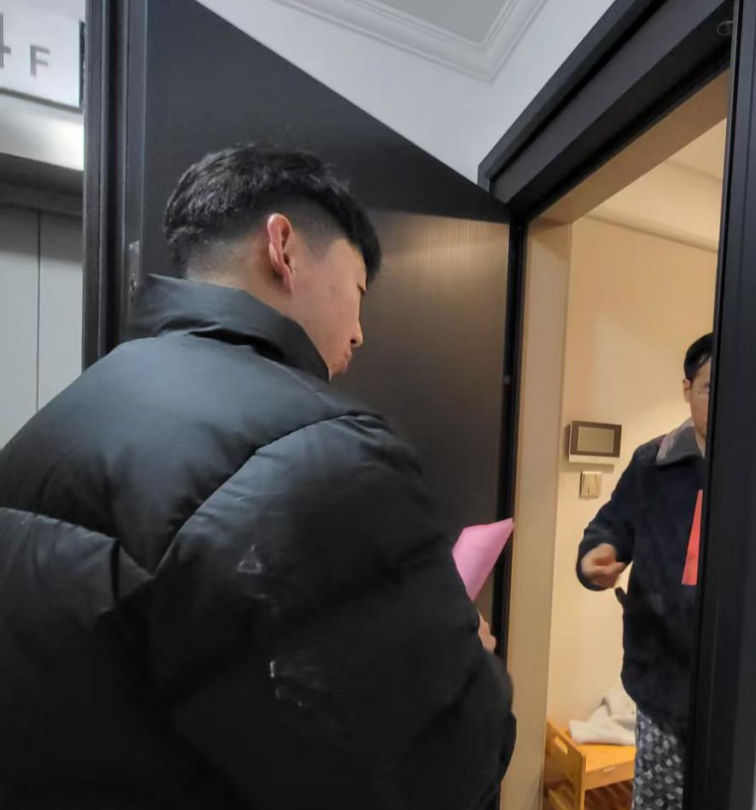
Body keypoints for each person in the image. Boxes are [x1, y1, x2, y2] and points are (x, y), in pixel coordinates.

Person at [0, 145, 514, 810]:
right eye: (358, 292)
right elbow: (433, 772)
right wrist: (470, 661)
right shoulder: (318, 447)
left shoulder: (60, 417)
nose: (359, 333)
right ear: (284, 248)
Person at [577, 334, 713, 810]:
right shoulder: (652, 463)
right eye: (708, 389)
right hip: (659, 676)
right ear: (686, 389)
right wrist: (596, 556)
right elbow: (609, 527)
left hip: (731, 686)